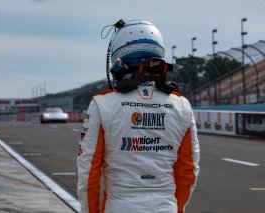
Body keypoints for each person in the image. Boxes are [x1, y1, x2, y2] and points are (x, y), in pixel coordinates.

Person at [77, 19, 200, 213]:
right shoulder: (182, 105)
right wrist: (175, 208)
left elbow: (88, 173)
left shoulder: (102, 104)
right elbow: (188, 171)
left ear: (119, 58)